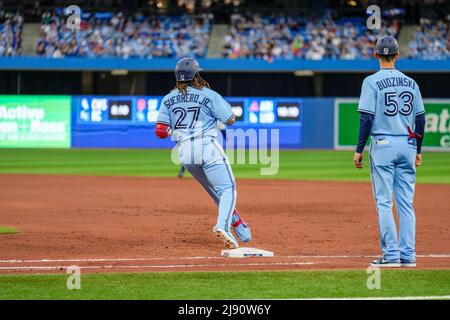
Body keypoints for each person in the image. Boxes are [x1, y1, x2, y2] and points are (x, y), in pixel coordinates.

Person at [155, 57, 251, 249]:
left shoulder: (168, 99)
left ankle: (239, 225)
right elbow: (230, 120)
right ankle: (223, 226)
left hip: (184, 152)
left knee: (217, 192)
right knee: (228, 189)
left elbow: (160, 132)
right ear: (195, 75)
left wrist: (175, 127)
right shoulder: (208, 94)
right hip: (206, 146)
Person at [354, 36, 426, 268]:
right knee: (406, 203)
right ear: (397, 56)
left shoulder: (371, 81)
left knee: (384, 203)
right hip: (408, 144)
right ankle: (409, 255)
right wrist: (418, 150)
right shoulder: (412, 83)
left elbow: (367, 118)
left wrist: (359, 150)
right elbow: (421, 119)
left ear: (376, 55)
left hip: (383, 145)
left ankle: (392, 255)